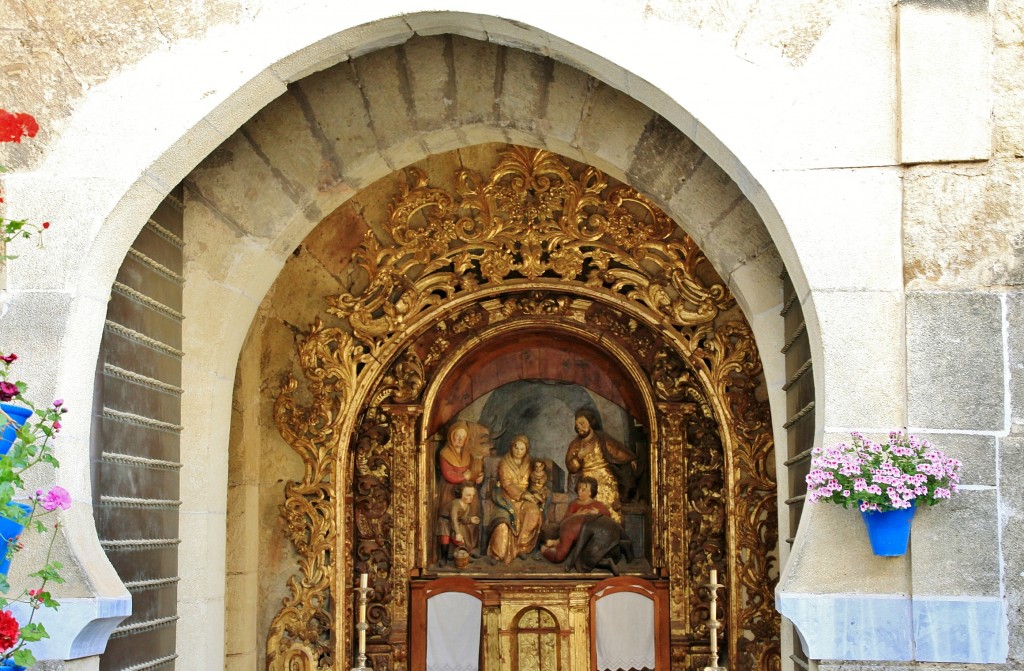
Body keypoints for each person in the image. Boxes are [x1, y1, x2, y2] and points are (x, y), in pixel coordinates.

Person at [564, 409, 636, 523]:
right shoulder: (575, 444)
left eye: (582, 424)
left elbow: (616, 451)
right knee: (589, 512)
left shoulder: (601, 438)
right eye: (577, 426)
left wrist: (629, 458)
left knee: (611, 511)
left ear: (590, 423)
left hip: (606, 479)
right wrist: (579, 456)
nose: (580, 428)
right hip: (587, 482)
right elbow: (571, 467)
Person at [486, 435, 544, 563]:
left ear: (526, 450)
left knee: (533, 512)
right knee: (502, 525)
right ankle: (498, 554)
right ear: (511, 447)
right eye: (516, 448)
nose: (518, 451)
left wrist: (535, 492)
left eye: (522, 449)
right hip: (507, 500)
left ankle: (522, 547)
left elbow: (534, 481)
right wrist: (522, 494)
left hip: (524, 500)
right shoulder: (505, 462)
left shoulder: (529, 462)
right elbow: (507, 484)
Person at [437, 420, 483, 557]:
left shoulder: (467, 453)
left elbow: (471, 471)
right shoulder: (445, 453)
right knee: (452, 517)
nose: (460, 440)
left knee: (472, 511)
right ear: (452, 436)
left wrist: (476, 477)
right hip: (450, 490)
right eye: (457, 436)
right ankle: (452, 551)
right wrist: (464, 476)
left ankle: (469, 547)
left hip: (466, 489)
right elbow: (448, 475)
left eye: (463, 437)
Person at [541, 476, 611, 563]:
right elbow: (564, 520)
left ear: (590, 492)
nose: (579, 491)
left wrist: (598, 512)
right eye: (579, 489)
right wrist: (576, 515)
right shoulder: (574, 504)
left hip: (588, 536)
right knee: (560, 554)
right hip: (571, 533)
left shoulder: (597, 505)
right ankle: (546, 549)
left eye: (583, 490)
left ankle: (556, 543)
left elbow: (608, 517)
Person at [437, 484, 481, 565]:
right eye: (468, 495)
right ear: (460, 494)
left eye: (472, 495)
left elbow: (463, 519)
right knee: (445, 538)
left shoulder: (467, 506)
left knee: (459, 541)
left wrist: (471, 520)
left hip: (454, 523)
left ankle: (464, 556)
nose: (471, 497)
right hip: (445, 522)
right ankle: (443, 559)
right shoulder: (456, 503)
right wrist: (457, 533)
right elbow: (453, 517)